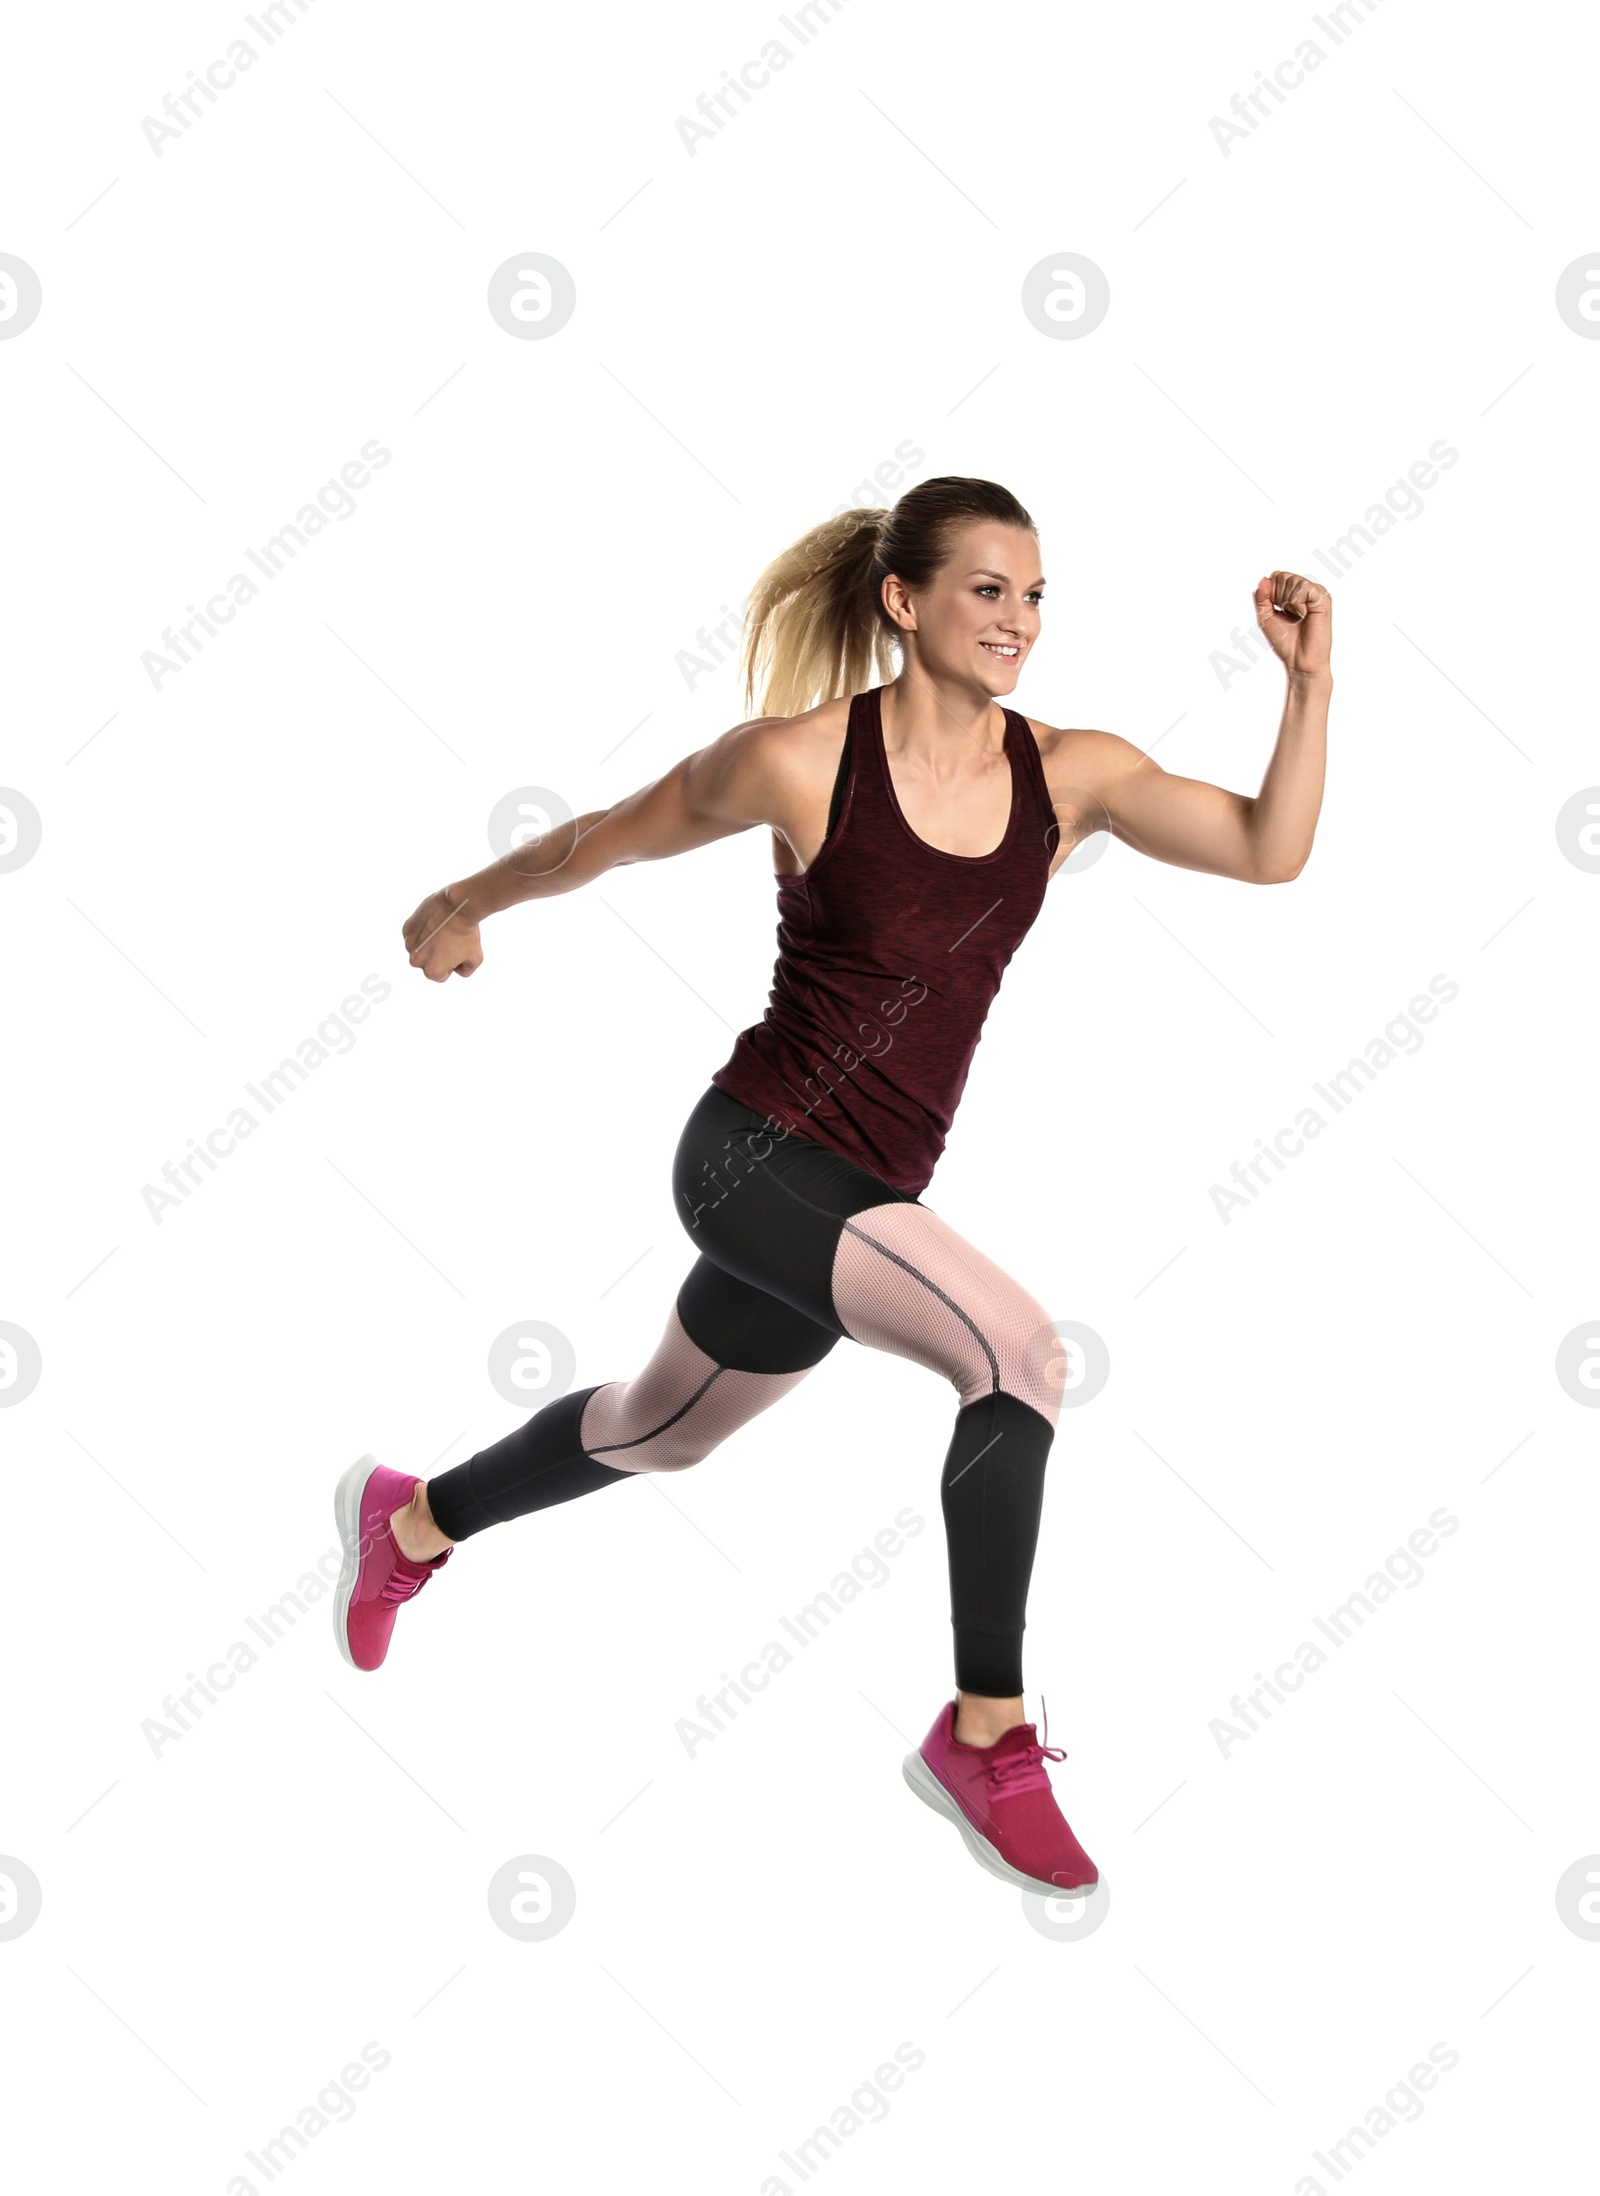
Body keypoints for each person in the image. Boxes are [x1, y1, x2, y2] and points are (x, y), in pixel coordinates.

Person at [331, 476, 1331, 1898]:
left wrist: (1311, 686)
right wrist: (460, 904)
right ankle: (985, 1734)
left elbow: (1265, 849)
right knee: (1018, 1354)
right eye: (989, 590)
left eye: (1037, 595)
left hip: (864, 1201)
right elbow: (605, 834)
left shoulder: (1075, 772)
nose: (1021, 621)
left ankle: (412, 1519)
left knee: (657, 1431)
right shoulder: (800, 762)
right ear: (905, 601)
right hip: (752, 1155)